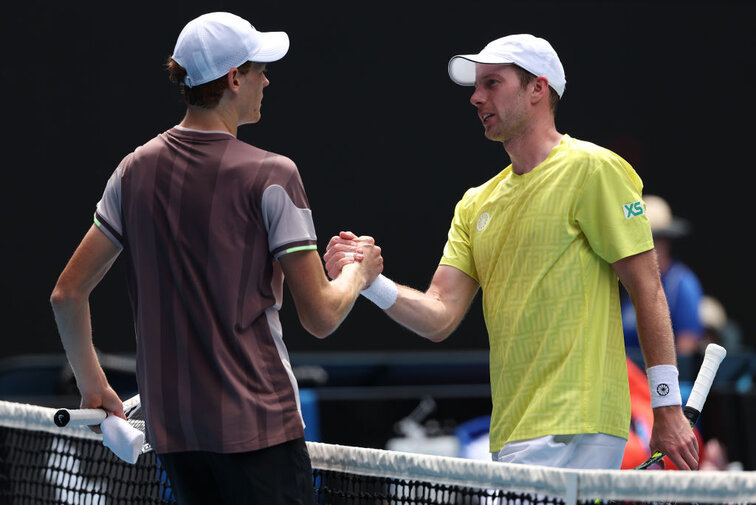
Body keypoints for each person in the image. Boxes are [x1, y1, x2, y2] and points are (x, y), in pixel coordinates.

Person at [50, 12, 382, 505]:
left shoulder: (132, 171)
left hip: (177, 439)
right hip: (260, 431)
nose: (266, 80)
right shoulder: (273, 175)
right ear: (233, 79)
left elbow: (66, 294)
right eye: (258, 70)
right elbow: (321, 316)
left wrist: (93, 385)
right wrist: (359, 271)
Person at [324, 34, 698, 470]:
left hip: (580, 427)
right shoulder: (476, 203)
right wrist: (371, 283)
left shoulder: (595, 169)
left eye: (492, 83)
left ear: (537, 89)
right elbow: (439, 317)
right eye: (476, 86)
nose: (476, 97)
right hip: (512, 432)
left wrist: (667, 407)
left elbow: (647, 288)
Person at [621, 194, 704, 374]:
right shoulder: (629, 281)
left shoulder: (683, 284)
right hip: (627, 386)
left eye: (655, 238)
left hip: (658, 388)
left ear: (666, 241)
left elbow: (686, 349)